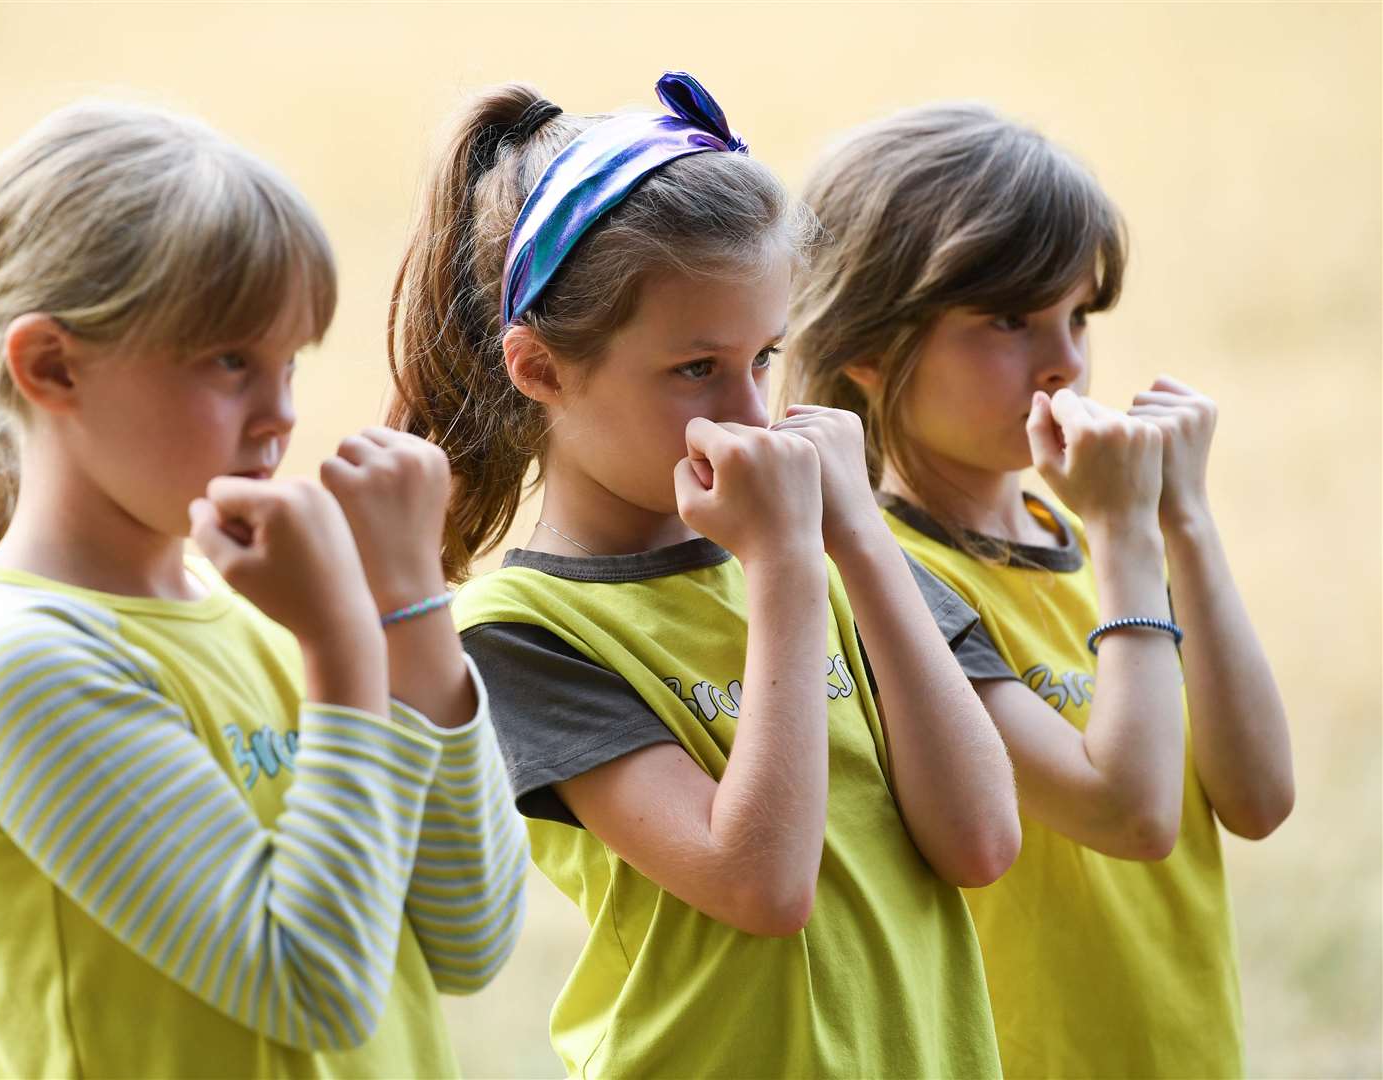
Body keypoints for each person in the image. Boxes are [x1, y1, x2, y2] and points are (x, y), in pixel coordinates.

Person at [387, 72, 1020, 1077]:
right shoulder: (522, 632)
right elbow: (762, 885)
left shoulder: (834, 549)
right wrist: (782, 572)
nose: (752, 414)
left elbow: (983, 840)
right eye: (696, 369)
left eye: (764, 357)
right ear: (541, 369)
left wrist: (856, 544)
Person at [0, 101, 527, 1078]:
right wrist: (348, 645)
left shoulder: (256, 612)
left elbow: (472, 936)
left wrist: (409, 603)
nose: (282, 415)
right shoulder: (13, 656)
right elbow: (316, 985)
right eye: (229, 362)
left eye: (289, 362)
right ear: (53, 367)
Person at [786, 102, 1296, 1078]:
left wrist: (1180, 517)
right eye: (1009, 321)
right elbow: (1130, 814)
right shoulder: (885, 583)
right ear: (871, 348)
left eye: (1077, 315)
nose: (1064, 360)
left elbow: (1261, 795)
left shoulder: (1096, 545)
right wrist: (1124, 533)